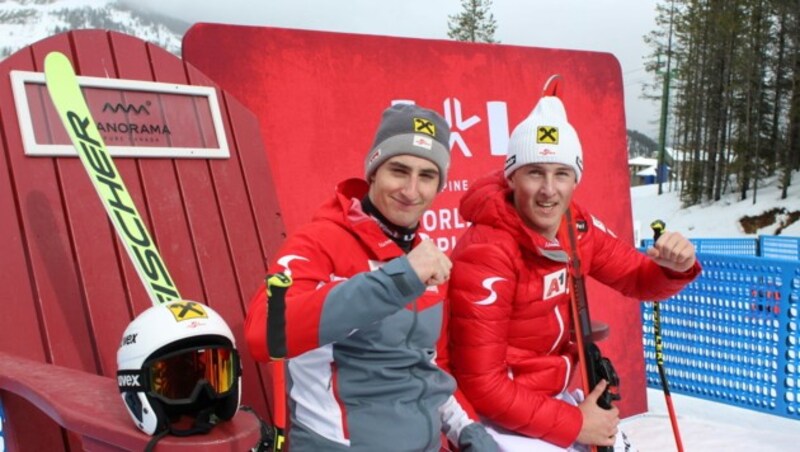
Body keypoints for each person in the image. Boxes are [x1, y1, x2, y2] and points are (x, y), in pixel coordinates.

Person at [447, 80, 701, 451]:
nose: (549, 190)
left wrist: (676, 266)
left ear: (575, 179)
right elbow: (481, 384)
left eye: (561, 173)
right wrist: (575, 424)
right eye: (535, 172)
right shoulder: (488, 249)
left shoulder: (574, 226)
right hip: (498, 414)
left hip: (552, 398)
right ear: (512, 177)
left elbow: (639, 278)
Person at [245, 103, 498, 451]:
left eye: (427, 176)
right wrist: (397, 279)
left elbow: (426, 364)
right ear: (374, 171)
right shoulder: (319, 242)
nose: (411, 191)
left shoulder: (426, 258)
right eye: (399, 170)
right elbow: (263, 335)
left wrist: (467, 431)